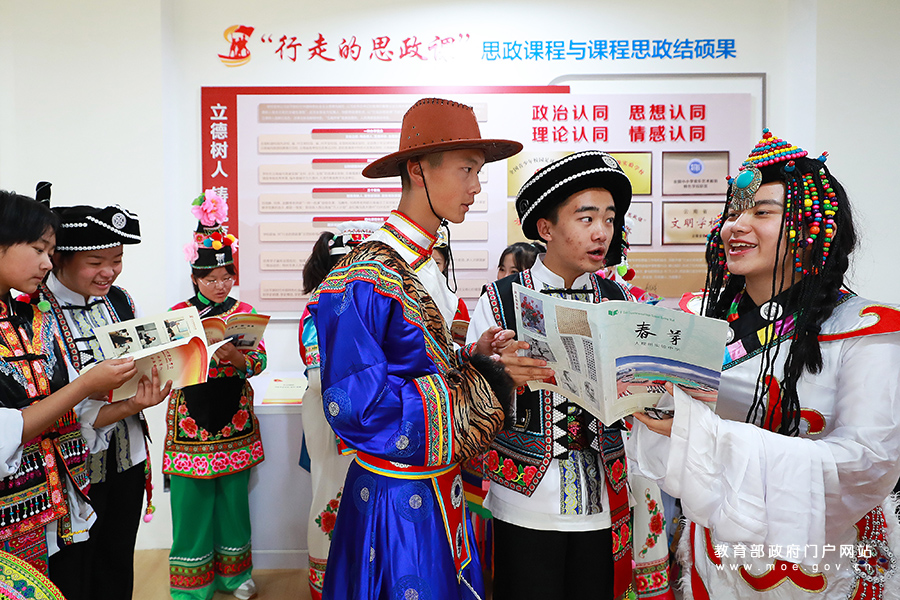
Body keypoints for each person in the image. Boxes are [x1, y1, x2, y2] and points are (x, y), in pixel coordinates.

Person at [628, 130, 900, 598]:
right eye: (733, 212)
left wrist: (706, 434)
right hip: (717, 558)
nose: (736, 225)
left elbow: (868, 463)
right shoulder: (697, 320)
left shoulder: (865, 329)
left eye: (762, 212)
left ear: (811, 229)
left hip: (826, 563)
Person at [308, 97, 521, 599]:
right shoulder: (364, 278)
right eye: (467, 169)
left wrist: (472, 359)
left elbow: (418, 366)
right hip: (397, 497)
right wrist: (487, 385)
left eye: (479, 171)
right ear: (418, 169)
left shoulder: (422, 265)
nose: (476, 187)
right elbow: (358, 408)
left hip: (440, 486)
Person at [467, 150, 659, 600]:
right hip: (525, 496)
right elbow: (471, 398)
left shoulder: (618, 301)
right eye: (586, 218)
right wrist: (497, 371)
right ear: (546, 228)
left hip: (603, 492)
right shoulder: (500, 299)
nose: (601, 232)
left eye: (609, 219)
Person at [0, 189, 160, 600]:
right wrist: (91, 387)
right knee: (73, 574)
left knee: (116, 562)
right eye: (95, 262)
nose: (109, 272)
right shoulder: (35, 309)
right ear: (61, 260)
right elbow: (60, 403)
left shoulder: (120, 301)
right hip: (66, 470)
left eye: (117, 260)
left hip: (121, 453)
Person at [164, 190, 266, 600]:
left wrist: (237, 357)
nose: (220, 286)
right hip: (190, 420)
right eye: (211, 279)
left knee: (233, 503)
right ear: (195, 278)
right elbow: (168, 366)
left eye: (227, 278)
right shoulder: (179, 313)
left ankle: (236, 576)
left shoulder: (244, 312)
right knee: (191, 505)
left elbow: (258, 362)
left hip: (235, 419)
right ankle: (191, 587)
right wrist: (203, 353)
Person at [298, 221, 378, 600]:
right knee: (331, 496)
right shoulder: (320, 305)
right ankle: (328, 586)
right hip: (333, 418)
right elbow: (319, 378)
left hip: (370, 417)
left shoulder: (369, 304)